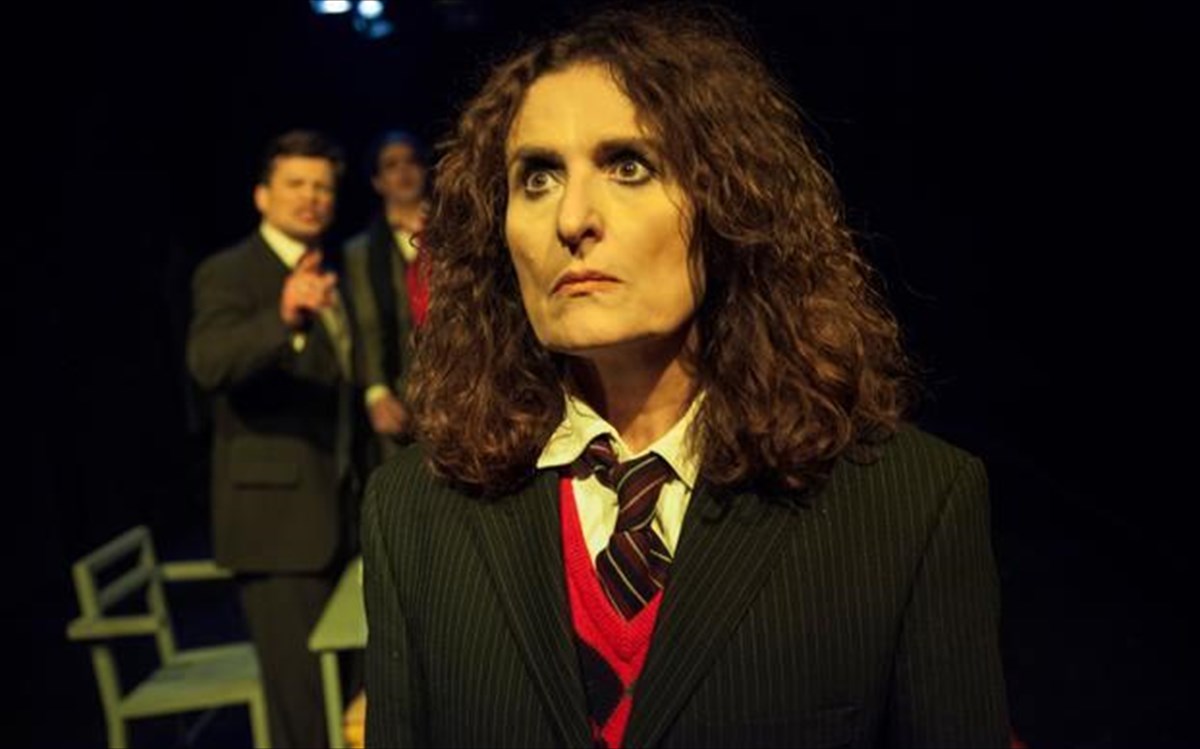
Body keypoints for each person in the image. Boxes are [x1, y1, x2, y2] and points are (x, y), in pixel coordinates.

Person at [362, 8, 1010, 748]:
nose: (572, 218)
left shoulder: (910, 507)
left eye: (628, 166)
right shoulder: (414, 513)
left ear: (728, 204)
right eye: (538, 177)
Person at [187, 129, 356, 748]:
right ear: (262, 195)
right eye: (296, 184)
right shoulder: (230, 272)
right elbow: (208, 363)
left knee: (346, 700)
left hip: (338, 515)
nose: (311, 197)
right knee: (302, 713)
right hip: (276, 528)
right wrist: (281, 317)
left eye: (323, 187)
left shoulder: (328, 270)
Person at [343, 130, 431, 465]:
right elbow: (361, 326)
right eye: (391, 165)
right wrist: (376, 390)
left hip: (462, 384)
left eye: (411, 161)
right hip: (401, 394)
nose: (403, 171)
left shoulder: (454, 234)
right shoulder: (362, 252)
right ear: (378, 182)